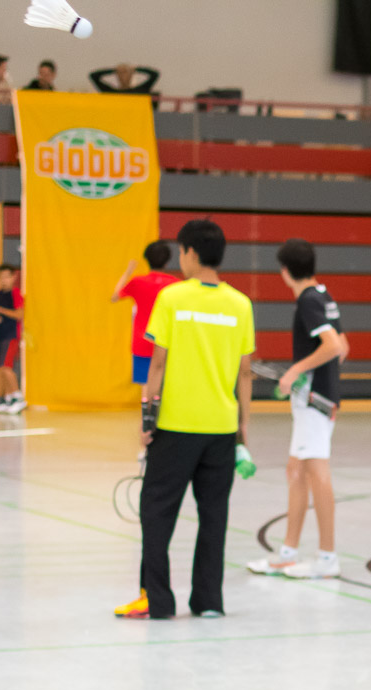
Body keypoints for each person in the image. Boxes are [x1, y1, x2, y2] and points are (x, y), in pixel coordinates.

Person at [114, 220, 256, 621]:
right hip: (221, 429)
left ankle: (157, 602)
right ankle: (208, 601)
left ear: (191, 253)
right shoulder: (241, 304)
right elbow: (245, 373)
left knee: (156, 513)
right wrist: (243, 427)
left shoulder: (173, 298)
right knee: (214, 516)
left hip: (175, 426)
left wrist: (147, 417)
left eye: (182, 252)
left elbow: (157, 364)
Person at [246, 238, 348, 580]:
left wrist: (295, 371)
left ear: (285, 271)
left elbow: (332, 346)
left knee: (317, 472)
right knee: (296, 471)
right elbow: (343, 346)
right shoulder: (323, 295)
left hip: (314, 402)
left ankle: (327, 557)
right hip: (321, 397)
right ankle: (288, 553)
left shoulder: (307, 300)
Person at [111, 242, 178, 391]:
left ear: (147, 259)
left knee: (145, 386)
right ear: (167, 261)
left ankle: (146, 407)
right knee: (164, 385)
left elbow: (115, 296)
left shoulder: (137, 282)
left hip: (142, 341)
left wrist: (128, 272)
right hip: (166, 341)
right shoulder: (175, 285)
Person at [0, 263, 25, 414]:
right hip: (0, 336)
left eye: (7, 277)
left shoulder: (15, 294)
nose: (4, 280)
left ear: (13, 277)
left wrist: (1, 310)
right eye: (1, 277)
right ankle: (7, 398)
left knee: (6, 367)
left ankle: (17, 397)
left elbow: (19, 315)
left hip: (11, 336)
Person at [90, 63, 160, 94]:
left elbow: (155, 74)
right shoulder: (111, 92)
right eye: (120, 73)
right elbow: (93, 76)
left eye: (125, 72)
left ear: (131, 75)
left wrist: (136, 69)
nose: (122, 75)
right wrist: (114, 70)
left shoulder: (140, 91)